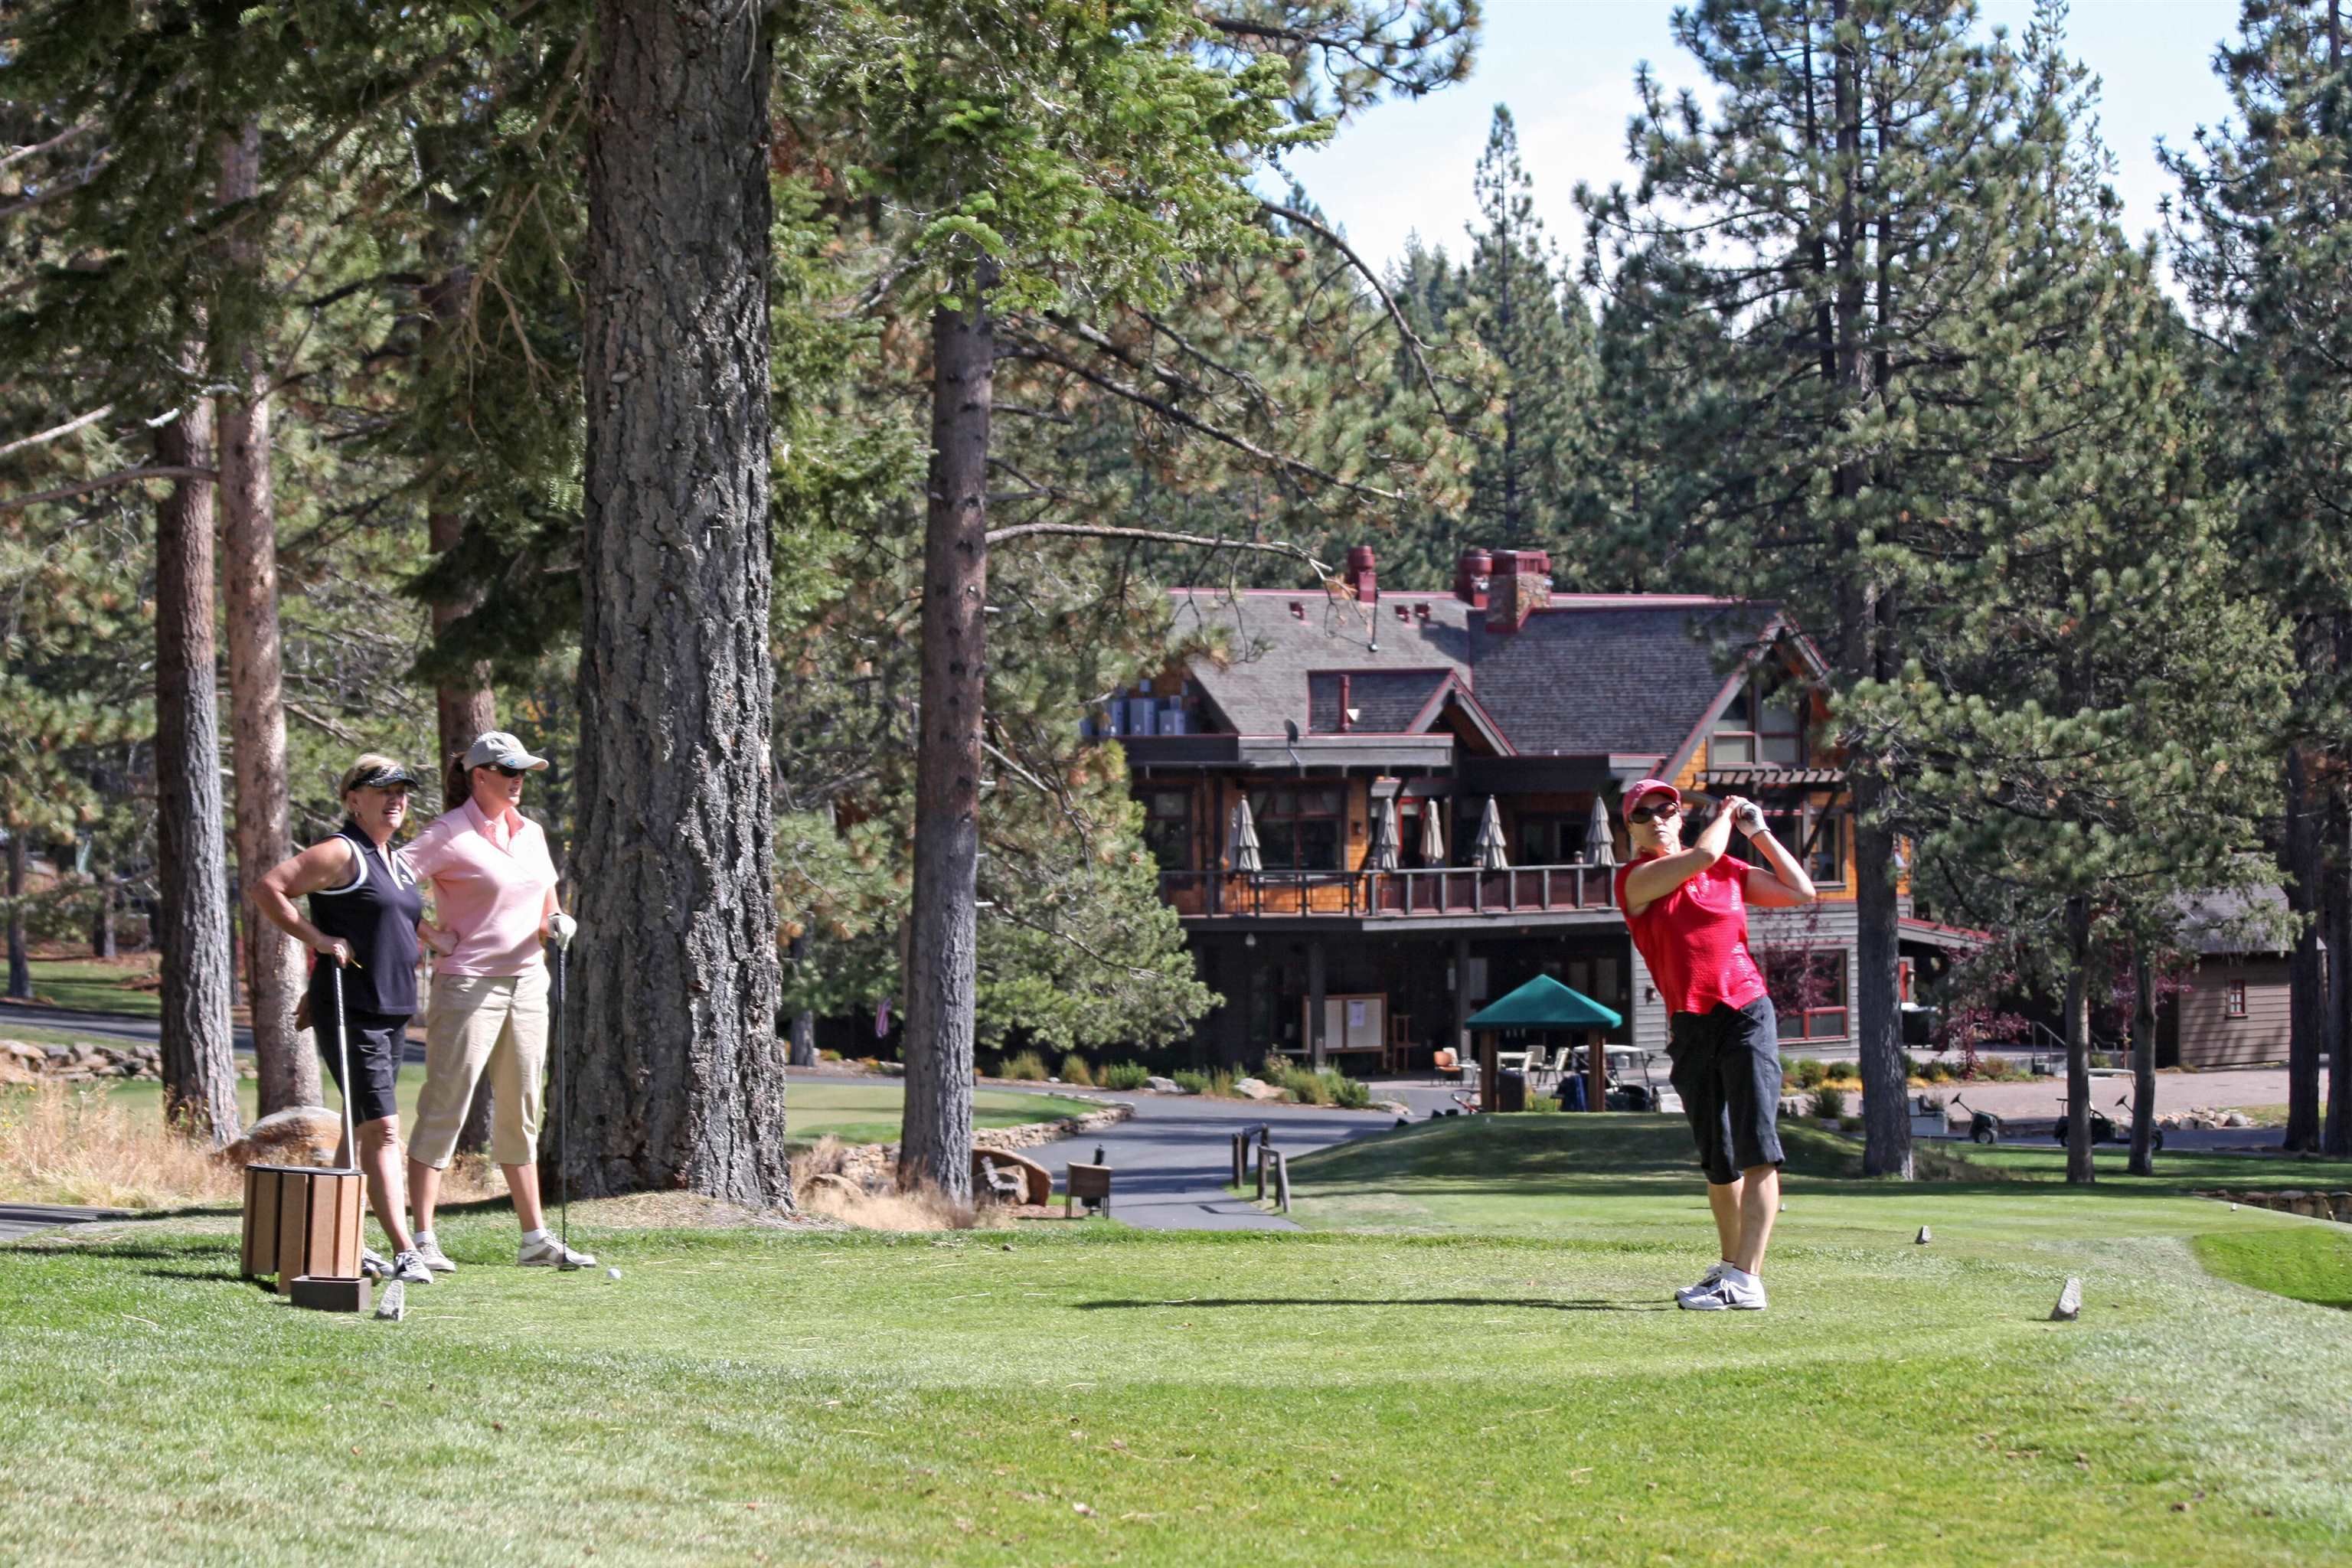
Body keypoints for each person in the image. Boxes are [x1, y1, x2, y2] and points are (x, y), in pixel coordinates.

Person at [1614, 779, 1816, 1311]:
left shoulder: (1726, 869)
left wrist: (1759, 832)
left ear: (1680, 817)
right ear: (1631, 829)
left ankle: (1746, 1280)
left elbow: (1801, 891)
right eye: (1643, 814)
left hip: (1745, 1012)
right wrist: (1726, 813)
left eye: (1666, 809)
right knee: (1718, 1158)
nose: (1657, 820)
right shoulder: (1635, 879)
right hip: (1691, 1026)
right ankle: (1730, 1269)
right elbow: (1703, 854)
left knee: (1757, 1147)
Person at [253, 754, 444, 1287]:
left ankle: (342, 1241)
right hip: (352, 1010)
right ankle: (406, 1250)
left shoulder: (395, 860)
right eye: (383, 790)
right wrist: (318, 940)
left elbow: (392, 921)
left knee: (361, 1130)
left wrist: (440, 939)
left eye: (402, 791)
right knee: (383, 1129)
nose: (396, 799)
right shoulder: (341, 851)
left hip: (392, 1010)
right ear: (353, 798)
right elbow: (268, 888)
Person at [402, 730, 588, 1271]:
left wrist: (556, 921)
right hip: (468, 986)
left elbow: (547, 898)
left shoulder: (531, 832)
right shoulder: (447, 834)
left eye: (522, 771)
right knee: (446, 1106)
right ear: (479, 776)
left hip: (528, 984)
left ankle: (535, 1239)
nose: (518, 780)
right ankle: (421, 1238)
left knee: (522, 1110)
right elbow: (387, 886)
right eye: (508, 772)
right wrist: (430, 935)